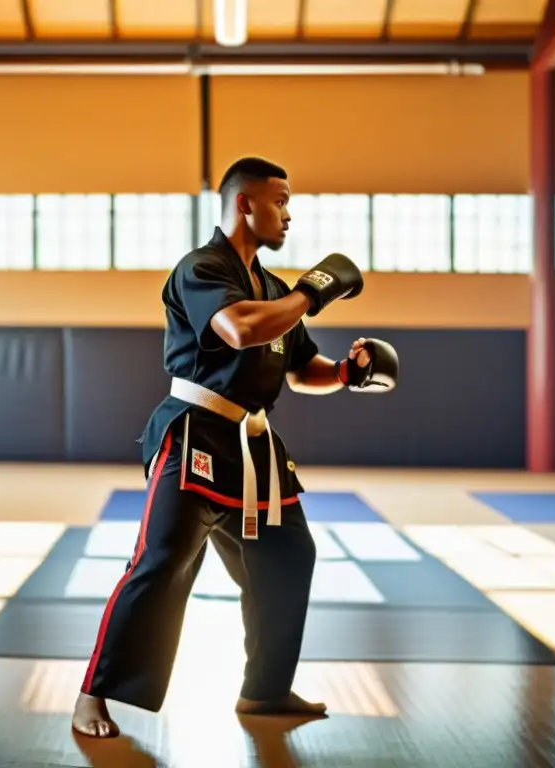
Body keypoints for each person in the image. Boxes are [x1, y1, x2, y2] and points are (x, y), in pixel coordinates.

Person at [72, 156, 399, 738]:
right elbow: (240, 329)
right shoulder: (201, 268)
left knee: (288, 558)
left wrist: (348, 372)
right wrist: (314, 293)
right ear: (245, 203)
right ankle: (92, 696)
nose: (289, 214)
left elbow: (303, 370)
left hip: (254, 447)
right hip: (193, 434)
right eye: (281, 200)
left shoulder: (276, 289)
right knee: (162, 562)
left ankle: (265, 691)